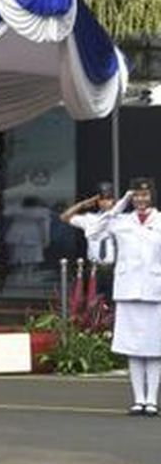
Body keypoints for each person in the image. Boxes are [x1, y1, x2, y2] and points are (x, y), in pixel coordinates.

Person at [88, 177, 161, 416]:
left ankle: (151, 400)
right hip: (128, 289)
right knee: (133, 348)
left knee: (154, 348)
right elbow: (95, 230)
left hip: (154, 290)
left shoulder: (160, 220)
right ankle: (138, 399)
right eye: (137, 195)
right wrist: (120, 204)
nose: (141, 200)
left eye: (145, 195)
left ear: (152, 196)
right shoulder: (121, 221)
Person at [62, 181, 117, 301]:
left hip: (114, 269)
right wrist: (83, 204)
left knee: (113, 305)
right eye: (102, 199)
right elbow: (64, 217)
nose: (105, 202)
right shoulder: (90, 219)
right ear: (97, 201)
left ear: (114, 201)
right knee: (92, 304)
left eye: (109, 199)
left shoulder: (122, 220)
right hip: (94, 269)